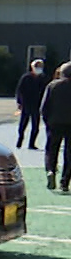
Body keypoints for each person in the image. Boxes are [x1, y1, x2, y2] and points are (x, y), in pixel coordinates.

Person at [43, 63, 71, 191]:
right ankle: (65, 181)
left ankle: (51, 170)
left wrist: (47, 121)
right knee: (69, 153)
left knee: (52, 149)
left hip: (54, 122)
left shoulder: (52, 86)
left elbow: (44, 106)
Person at [16, 59, 49, 150]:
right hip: (26, 103)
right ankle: (20, 140)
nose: (39, 68)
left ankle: (32, 143)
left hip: (37, 105)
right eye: (37, 66)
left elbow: (45, 91)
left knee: (35, 126)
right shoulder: (26, 77)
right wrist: (19, 102)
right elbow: (20, 90)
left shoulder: (43, 78)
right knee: (23, 124)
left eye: (40, 66)